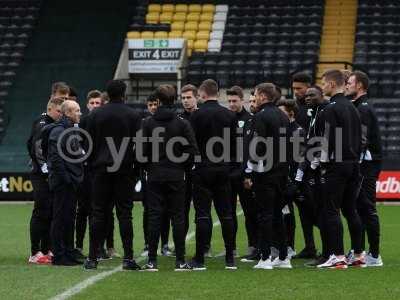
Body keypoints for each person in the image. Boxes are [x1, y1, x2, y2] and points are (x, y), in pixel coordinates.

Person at [84, 80, 142, 270]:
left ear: (106, 95)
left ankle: (92, 258)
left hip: (100, 170)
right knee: (125, 214)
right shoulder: (133, 115)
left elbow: (88, 144)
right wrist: (135, 168)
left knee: (98, 213)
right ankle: (128, 258)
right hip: (124, 170)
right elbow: (139, 145)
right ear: (124, 94)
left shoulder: (95, 115)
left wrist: (92, 164)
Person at [141, 84, 199, 271]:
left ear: (157, 101)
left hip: (155, 175)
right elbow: (192, 151)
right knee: (178, 217)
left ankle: (151, 260)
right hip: (176, 175)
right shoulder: (182, 123)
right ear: (174, 100)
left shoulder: (148, 123)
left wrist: (150, 166)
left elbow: (141, 153)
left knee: (155, 216)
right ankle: (180, 260)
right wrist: (182, 166)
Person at [316, 69, 364, 269]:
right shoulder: (353, 107)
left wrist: (324, 165)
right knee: (350, 209)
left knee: (331, 209)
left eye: (324, 83)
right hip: (354, 164)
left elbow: (326, 141)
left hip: (337, 164)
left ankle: (338, 256)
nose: (323, 86)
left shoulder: (330, 109)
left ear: (333, 84)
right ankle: (359, 254)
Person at [189, 79, 237, 270]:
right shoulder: (229, 115)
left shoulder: (196, 115)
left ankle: (200, 258)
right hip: (223, 169)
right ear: (217, 93)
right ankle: (230, 258)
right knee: (226, 214)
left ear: (202, 94)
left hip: (202, 170)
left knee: (202, 214)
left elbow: (192, 144)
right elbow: (235, 145)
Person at [244, 83, 292, 270]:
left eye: (256, 94)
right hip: (281, 172)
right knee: (278, 214)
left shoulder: (261, 116)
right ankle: (283, 256)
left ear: (263, 96)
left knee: (264, 214)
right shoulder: (283, 116)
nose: (255, 98)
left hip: (265, 172)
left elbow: (257, 147)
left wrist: (249, 172)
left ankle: (264, 258)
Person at [346, 71, 384, 267]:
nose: (347, 85)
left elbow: (362, 140)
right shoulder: (359, 106)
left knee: (367, 208)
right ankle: (358, 250)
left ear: (359, 85)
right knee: (359, 208)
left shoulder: (363, 109)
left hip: (366, 166)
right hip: (364, 165)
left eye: (350, 82)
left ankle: (375, 255)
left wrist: (353, 163)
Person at [75, 90, 119, 260]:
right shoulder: (83, 121)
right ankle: (79, 245)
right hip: (86, 172)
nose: (94, 106)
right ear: (87, 105)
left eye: (97, 103)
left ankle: (104, 246)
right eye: (92, 103)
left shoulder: (106, 122)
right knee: (84, 209)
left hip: (101, 171)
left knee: (104, 210)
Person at [43, 100, 84, 266]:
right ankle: (59, 255)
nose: (79, 113)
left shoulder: (68, 129)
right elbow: (56, 159)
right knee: (60, 218)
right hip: (63, 183)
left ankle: (67, 251)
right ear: (67, 113)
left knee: (68, 218)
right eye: (77, 110)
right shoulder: (59, 131)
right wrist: (67, 179)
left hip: (70, 181)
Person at [27, 97, 64, 264]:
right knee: (41, 210)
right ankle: (35, 252)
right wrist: (43, 166)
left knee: (49, 211)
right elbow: (36, 146)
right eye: (59, 111)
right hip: (40, 174)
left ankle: (47, 248)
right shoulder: (43, 123)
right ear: (50, 109)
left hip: (47, 173)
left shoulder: (51, 124)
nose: (61, 114)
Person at [140, 93, 173, 257]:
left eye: (156, 104)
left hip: (165, 171)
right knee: (149, 210)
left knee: (166, 209)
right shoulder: (145, 123)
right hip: (149, 172)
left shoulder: (170, 123)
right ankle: (148, 244)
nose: (153, 107)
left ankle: (165, 244)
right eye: (150, 104)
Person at [226, 85, 255, 259]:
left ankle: (253, 245)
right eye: (229, 101)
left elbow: (252, 148)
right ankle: (232, 247)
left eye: (234, 101)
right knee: (228, 212)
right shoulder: (224, 118)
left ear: (241, 100)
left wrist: (248, 173)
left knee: (250, 212)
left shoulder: (251, 119)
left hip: (244, 173)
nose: (231, 104)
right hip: (228, 173)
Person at [276, 99, 305, 259]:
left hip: (294, 180)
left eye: (282, 112)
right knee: (285, 212)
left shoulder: (298, 131)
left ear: (291, 113)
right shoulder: (284, 130)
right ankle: (287, 246)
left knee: (309, 215)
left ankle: (292, 246)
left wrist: (297, 180)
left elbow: (301, 158)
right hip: (285, 178)